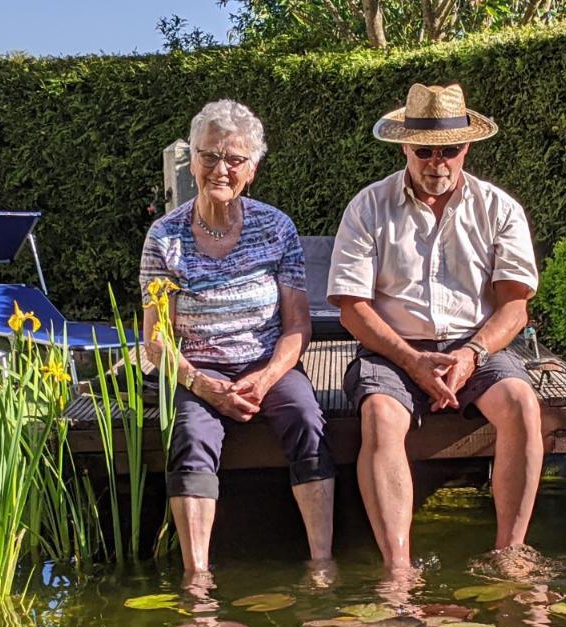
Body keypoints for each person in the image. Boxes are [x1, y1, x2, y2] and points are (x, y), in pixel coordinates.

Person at [327, 83, 543, 572]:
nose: (437, 162)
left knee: (522, 405)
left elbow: (515, 308)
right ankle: (399, 570)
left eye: (449, 149)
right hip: (391, 349)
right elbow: (352, 308)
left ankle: (510, 553)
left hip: (477, 345)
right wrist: (411, 359)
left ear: (467, 147)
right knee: (381, 416)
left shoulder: (499, 208)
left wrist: (470, 355)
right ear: (405, 146)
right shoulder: (368, 206)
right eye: (424, 150)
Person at [140, 99, 335, 575]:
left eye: (234, 159)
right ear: (193, 159)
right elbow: (155, 340)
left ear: (252, 168)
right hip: (197, 367)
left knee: (307, 417)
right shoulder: (165, 236)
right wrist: (204, 386)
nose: (220, 168)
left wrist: (267, 378)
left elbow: (297, 326)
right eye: (209, 156)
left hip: (265, 360)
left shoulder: (276, 227)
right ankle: (198, 578)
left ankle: (323, 564)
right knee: (189, 433)